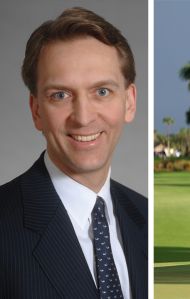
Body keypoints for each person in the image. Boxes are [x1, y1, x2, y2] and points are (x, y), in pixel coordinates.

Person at [0, 7, 147, 298]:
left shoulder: (145, 215)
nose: (82, 117)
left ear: (129, 102)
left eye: (102, 91)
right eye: (61, 95)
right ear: (36, 110)